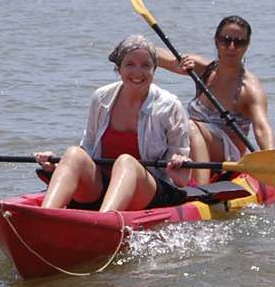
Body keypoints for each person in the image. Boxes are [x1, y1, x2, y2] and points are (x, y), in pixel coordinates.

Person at [35, 35, 194, 211]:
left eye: (145, 65)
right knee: (73, 154)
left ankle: (104, 222)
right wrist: (55, 167)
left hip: (150, 191)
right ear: (119, 69)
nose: (137, 72)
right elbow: (87, 150)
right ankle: (45, 214)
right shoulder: (101, 97)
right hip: (101, 187)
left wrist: (177, 164)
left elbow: (182, 179)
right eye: (129, 64)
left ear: (154, 69)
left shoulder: (170, 105)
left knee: (126, 162)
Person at [159, 15, 275, 184]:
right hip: (194, 142)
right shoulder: (202, 69)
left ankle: (202, 187)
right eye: (226, 40)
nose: (232, 47)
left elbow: (262, 128)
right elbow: (158, 56)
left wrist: (272, 160)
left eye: (239, 42)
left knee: (190, 126)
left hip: (228, 155)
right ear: (216, 41)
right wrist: (171, 63)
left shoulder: (249, 88)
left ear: (247, 46)